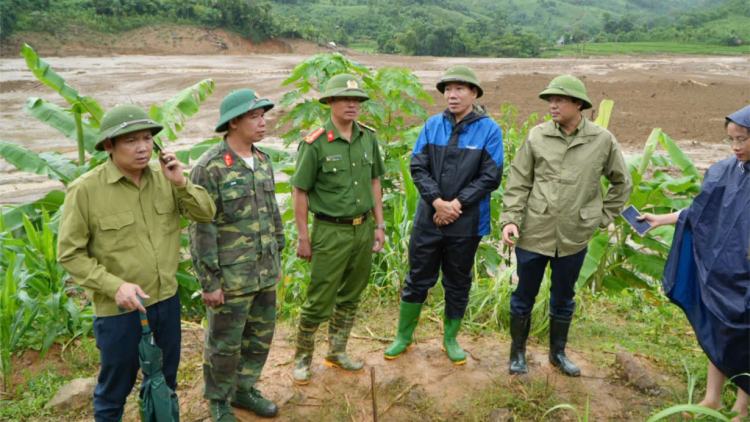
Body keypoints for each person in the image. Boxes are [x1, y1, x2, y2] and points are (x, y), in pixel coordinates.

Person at [57, 104, 216, 422]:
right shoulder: (86, 190)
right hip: (120, 312)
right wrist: (114, 286)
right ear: (108, 146)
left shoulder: (165, 178)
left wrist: (181, 183)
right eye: (130, 141)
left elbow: (205, 213)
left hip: (166, 302)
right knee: (115, 389)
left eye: (146, 138)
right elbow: (69, 254)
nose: (142, 147)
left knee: (164, 381)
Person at [499, 75, 632, 377]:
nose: (552, 105)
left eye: (559, 99)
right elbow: (519, 181)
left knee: (564, 297)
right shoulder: (536, 136)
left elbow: (622, 183)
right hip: (534, 232)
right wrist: (509, 219)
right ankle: (517, 353)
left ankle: (558, 353)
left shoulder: (601, 140)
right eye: (549, 100)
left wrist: (601, 218)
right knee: (524, 295)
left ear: (578, 104)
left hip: (574, 236)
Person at [383, 65, 504, 365]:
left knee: (458, 280)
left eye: (460, 89)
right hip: (429, 218)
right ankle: (404, 336)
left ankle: (450, 338)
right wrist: (437, 203)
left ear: (474, 93)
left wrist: (454, 206)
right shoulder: (432, 125)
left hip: (467, 222)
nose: (452, 94)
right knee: (417, 278)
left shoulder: (489, 130)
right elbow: (417, 167)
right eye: (448, 89)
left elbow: (490, 177)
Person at [638, 105, 750, 422]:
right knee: (717, 327)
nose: (736, 147)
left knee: (745, 335)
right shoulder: (725, 171)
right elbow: (699, 213)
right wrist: (661, 219)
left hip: (746, 275)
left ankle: (741, 406)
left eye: (742, 139)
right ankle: (712, 398)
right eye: (731, 140)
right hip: (721, 270)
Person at [189, 89, 285, 421]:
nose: (263, 122)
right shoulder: (209, 167)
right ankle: (218, 400)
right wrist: (210, 281)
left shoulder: (262, 161)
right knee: (224, 344)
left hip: (264, 271)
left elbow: (273, 214)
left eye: (263, 116)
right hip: (230, 277)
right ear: (233, 123)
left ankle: (244, 389)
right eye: (254, 117)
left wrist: (278, 256)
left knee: (259, 338)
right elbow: (202, 229)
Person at [290, 73, 387, 385]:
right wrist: (304, 238)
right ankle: (303, 358)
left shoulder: (368, 137)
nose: (352, 104)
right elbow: (300, 192)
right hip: (330, 231)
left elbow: (375, 182)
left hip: (363, 228)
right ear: (329, 101)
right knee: (319, 297)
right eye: (345, 98)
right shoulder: (315, 143)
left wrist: (379, 225)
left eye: (357, 100)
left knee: (351, 294)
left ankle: (337, 351)